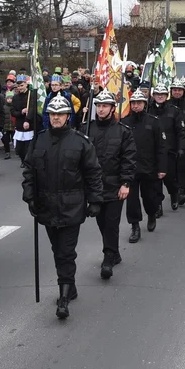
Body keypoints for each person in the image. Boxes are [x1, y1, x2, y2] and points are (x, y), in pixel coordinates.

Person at [21, 94, 104, 319]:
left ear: (68, 116)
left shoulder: (80, 142)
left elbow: (93, 173)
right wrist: (29, 197)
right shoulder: (38, 141)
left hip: (72, 206)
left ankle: (64, 297)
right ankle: (70, 284)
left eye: (60, 114)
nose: (56, 118)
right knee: (57, 250)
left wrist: (95, 200)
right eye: (52, 114)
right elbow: (29, 171)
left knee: (66, 252)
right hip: (46, 206)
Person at [82, 89, 136, 280]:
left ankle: (108, 258)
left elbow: (128, 159)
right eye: (98, 106)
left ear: (113, 108)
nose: (101, 109)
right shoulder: (87, 128)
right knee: (101, 221)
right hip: (94, 187)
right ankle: (114, 252)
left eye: (105, 106)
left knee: (111, 222)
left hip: (115, 186)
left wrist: (126, 183)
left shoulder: (123, 131)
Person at [124, 88, 166, 240]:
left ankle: (151, 214)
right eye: (133, 103)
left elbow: (161, 146)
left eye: (139, 103)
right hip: (130, 169)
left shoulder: (153, 122)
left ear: (144, 104)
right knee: (132, 201)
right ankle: (135, 226)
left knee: (150, 198)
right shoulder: (124, 122)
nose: (136, 106)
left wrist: (162, 168)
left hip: (150, 168)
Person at [148, 83, 185, 212]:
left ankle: (174, 194)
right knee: (155, 181)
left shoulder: (174, 111)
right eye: (157, 94)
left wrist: (181, 148)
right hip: (152, 151)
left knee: (169, 178)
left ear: (166, 95)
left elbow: (181, 132)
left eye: (162, 94)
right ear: (153, 96)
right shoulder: (148, 110)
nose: (160, 97)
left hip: (169, 150)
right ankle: (158, 205)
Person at [10, 75, 38, 166]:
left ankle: (28, 162)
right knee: (19, 148)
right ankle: (23, 160)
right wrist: (21, 112)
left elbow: (33, 109)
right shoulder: (15, 97)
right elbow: (12, 111)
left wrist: (28, 120)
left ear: (26, 84)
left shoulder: (32, 95)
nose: (20, 87)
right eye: (18, 86)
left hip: (29, 125)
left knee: (28, 147)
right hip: (19, 125)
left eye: (21, 85)